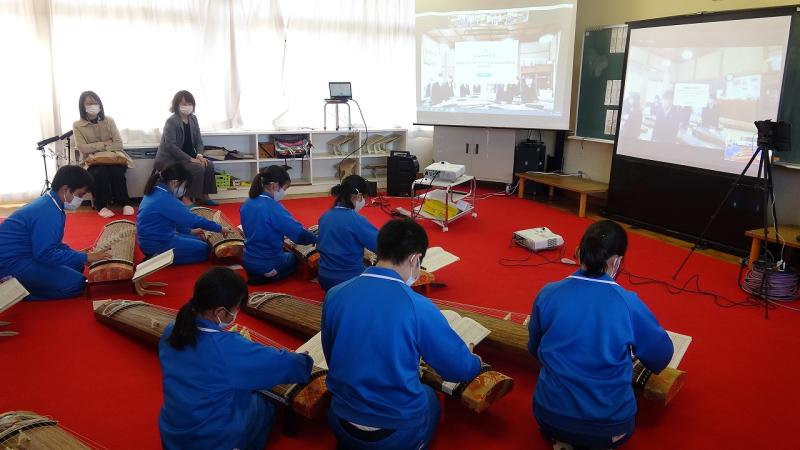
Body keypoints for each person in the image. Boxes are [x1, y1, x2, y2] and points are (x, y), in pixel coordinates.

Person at [322, 218, 481, 450]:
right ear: (415, 259)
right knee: (429, 399)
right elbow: (458, 370)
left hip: (339, 418)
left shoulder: (336, 294)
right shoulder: (418, 306)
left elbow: (331, 354)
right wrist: (473, 360)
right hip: (392, 434)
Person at [528, 220, 673, 449]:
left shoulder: (548, 293)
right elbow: (660, 356)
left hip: (549, 416)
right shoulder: (628, 302)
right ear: (617, 261)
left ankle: (564, 439)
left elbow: (534, 348)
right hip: (610, 428)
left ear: (578, 251)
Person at [158, 267, 313, 450]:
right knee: (266, 403)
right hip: (211, 440)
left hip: (172, 433)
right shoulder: (226, 348)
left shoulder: (171, 330)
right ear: (221, 312)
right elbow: (290, 366)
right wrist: (306, 359)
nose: (235, 314)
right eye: (235, 309)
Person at [0, 166, 110, 300]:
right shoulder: (48, 212)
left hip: (27, 254)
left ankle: (30, 283)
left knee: (76, 264)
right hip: (11, 263)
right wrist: (85, 257)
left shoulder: (51, 202)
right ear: (65, 189)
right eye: (80, 195)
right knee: (77, 284)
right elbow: (45, 254)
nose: (80, 200)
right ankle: (20, 293)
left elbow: (52, 243)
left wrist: (79, 255)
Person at [136, 164, 225, 265]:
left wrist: (190, 232)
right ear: (174, 183)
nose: (185, 190)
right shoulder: (165, 199)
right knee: (205, 250)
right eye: (184, 186)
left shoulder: (156, 191)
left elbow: (174, 219)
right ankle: (158, 259)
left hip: (152, 240)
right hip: (157, 244)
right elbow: (192, 219)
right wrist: (219, 228)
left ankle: (158, 256)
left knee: (200, 240)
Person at [240, 165, 315, 285]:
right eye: (284, 189)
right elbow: (299, 235)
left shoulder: (247, 202)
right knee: (295, 258)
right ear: (274, 185)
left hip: (248, 260)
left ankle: (260, 274)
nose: (283, 193)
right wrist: (315, 237)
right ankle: (270, 275)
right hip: (268, 264)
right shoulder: (273, 207)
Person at [72, 91, 134, 218]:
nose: (92, 106)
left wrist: (95, 146)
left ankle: (125, 203)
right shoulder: (78, 125)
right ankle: (101, 205)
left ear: (100, 104)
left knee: (116, 171)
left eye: (95, 102)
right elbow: (83, 148)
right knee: (99, 172)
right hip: (92, 160)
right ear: (82, 106)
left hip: (114, 158)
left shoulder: (109, 120)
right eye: (88, 103)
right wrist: (104, 144)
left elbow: (118, 144)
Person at [155, 90, 218, 206]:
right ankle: (186, 198)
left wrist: (199, 156)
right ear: (176, 105)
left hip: (188, 157)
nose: (187, 107)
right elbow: (170, 146)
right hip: (170, 159)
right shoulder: (171, 121)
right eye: (183, 104)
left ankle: (204, 195)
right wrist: (191, 159)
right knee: (198, 168)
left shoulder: (193, 119)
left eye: (189, 104)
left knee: (208, 164)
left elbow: (199, 141)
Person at [316, 175, 378, 292]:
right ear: (358, 196)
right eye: (364, 197)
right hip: (349, 281)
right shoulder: (356, 220)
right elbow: (382, 246)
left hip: (324, 279)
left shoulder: (325, 216)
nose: (364, 201)